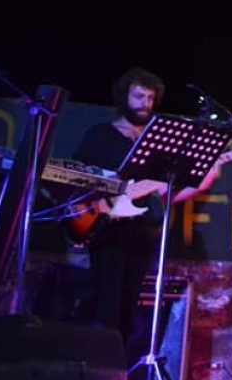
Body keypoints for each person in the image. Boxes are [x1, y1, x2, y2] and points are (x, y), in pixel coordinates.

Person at [73, 67, 219, 352]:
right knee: (105, 309)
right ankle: (95, 378)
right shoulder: (101, 135)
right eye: (138, 96)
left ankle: (116, 379)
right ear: (123, 96)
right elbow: (78, 180)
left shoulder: (158, 145)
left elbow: (165, 195)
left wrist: (204, 178)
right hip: (107, 233)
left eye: (150, 98)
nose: (145, 104)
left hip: (142, 236)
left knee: (128, 314)